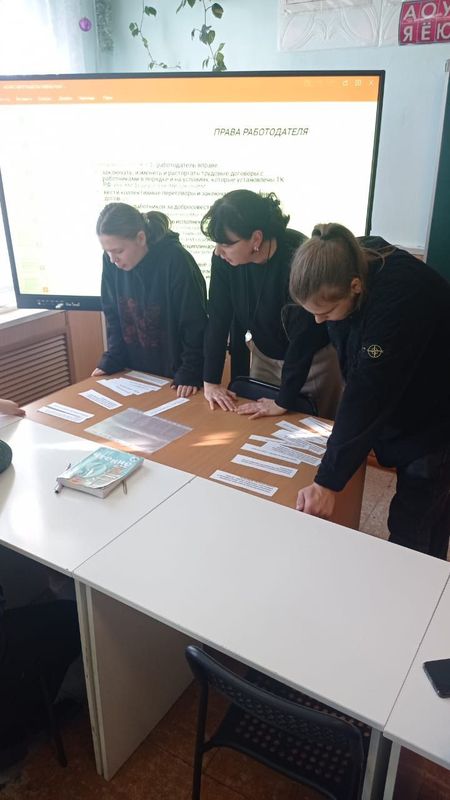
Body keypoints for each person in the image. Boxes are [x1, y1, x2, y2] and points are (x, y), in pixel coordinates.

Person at [289, 223, 450, 558]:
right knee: (432, 514)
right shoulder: (340, 261)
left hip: (437, 417)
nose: (319, 321)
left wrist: (328, 481)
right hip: (412, 396)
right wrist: (283, 398)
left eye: (326, 313)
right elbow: (312, 336)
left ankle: (414, 583)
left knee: (414, 526)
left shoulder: (398, 298)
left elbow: (368, 390)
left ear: (355, 287)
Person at [201, 190, 342, 418]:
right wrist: (211, 381)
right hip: (264, 354)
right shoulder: (224, 260)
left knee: (306, 427)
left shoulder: (297, 256)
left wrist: (283, 400)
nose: (218, 251)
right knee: (259, 424)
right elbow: (218, 315)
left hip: (311, 362)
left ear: (256, 239)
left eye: (226, 244)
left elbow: (304, 338)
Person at [93, 203, 207, 398]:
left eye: (118, 251)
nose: (113, 259)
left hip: (176, 375)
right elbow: (112, 313)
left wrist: (190, 371)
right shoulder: (111, 262)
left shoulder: (176, 259)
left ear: (141, 238)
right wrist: (113, 358)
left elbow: (194, 323)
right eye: (107, 251)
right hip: (133, 373)